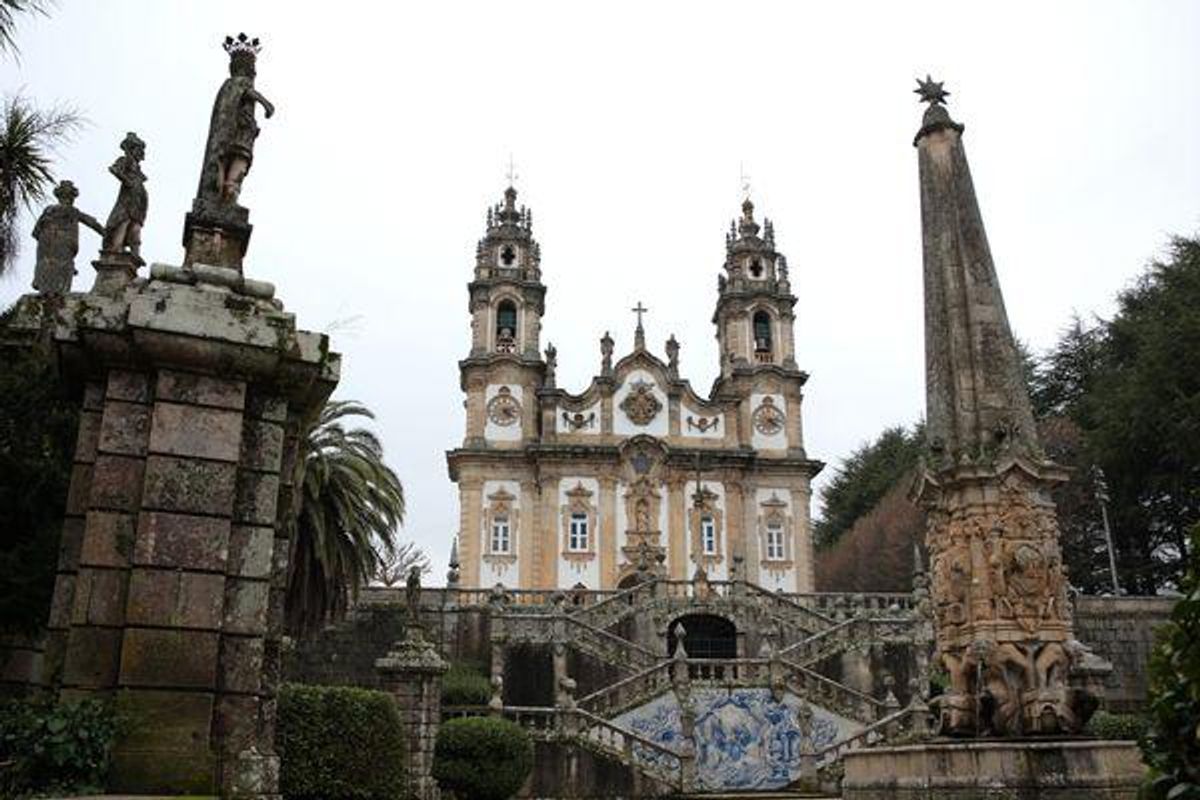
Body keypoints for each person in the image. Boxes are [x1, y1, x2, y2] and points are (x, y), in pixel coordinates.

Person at [31, 180, 103, 293]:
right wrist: (105, 233)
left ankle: (45, 289)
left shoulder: (49, 210)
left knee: (47, 263)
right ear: (72, 198)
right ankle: (56, 292)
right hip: (63, 242)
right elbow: (91, 222)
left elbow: (35, 232)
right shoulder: (72, 211)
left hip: (46, 241)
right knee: (62, 265)